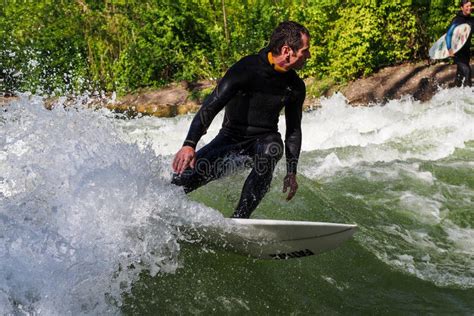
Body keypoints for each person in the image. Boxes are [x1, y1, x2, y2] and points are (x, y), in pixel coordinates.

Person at [171, 21, 311, 218]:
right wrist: (189, 144)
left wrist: (291, 171)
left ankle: (240, 220)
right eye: (305, 50)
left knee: (273, 148)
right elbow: (211, 106)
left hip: (262, 143)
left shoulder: (295, 86)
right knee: (175, 186)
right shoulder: (246, 69)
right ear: (287, 50)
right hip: (229, 142)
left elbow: (293, 130)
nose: (309, 56)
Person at [447, 0, 473, 87]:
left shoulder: (472, 20)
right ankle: (469, 95)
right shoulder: (457, 20)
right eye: (467, 6)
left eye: (470, 6)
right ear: (461, 8)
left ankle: (455, 87)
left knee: (461, 73)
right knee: (467, 71)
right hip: (456, 51)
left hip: (466, 51)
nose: (469, 8)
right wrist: (449, 48)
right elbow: (449, 34)